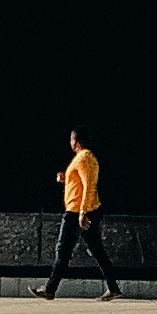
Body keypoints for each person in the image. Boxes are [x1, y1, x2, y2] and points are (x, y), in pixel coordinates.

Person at [41, 128, 121, 298]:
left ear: (76, 141)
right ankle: (113, 288)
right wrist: (66, 179)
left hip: (76, 212)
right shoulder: (82, 158)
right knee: (97, 250)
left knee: (63, 250)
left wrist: (83, 212)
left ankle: (49, 289)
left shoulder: (85, 158)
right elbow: (79, 184)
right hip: (79, 210)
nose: (70, 143)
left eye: (71, 140)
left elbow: (89, 186)